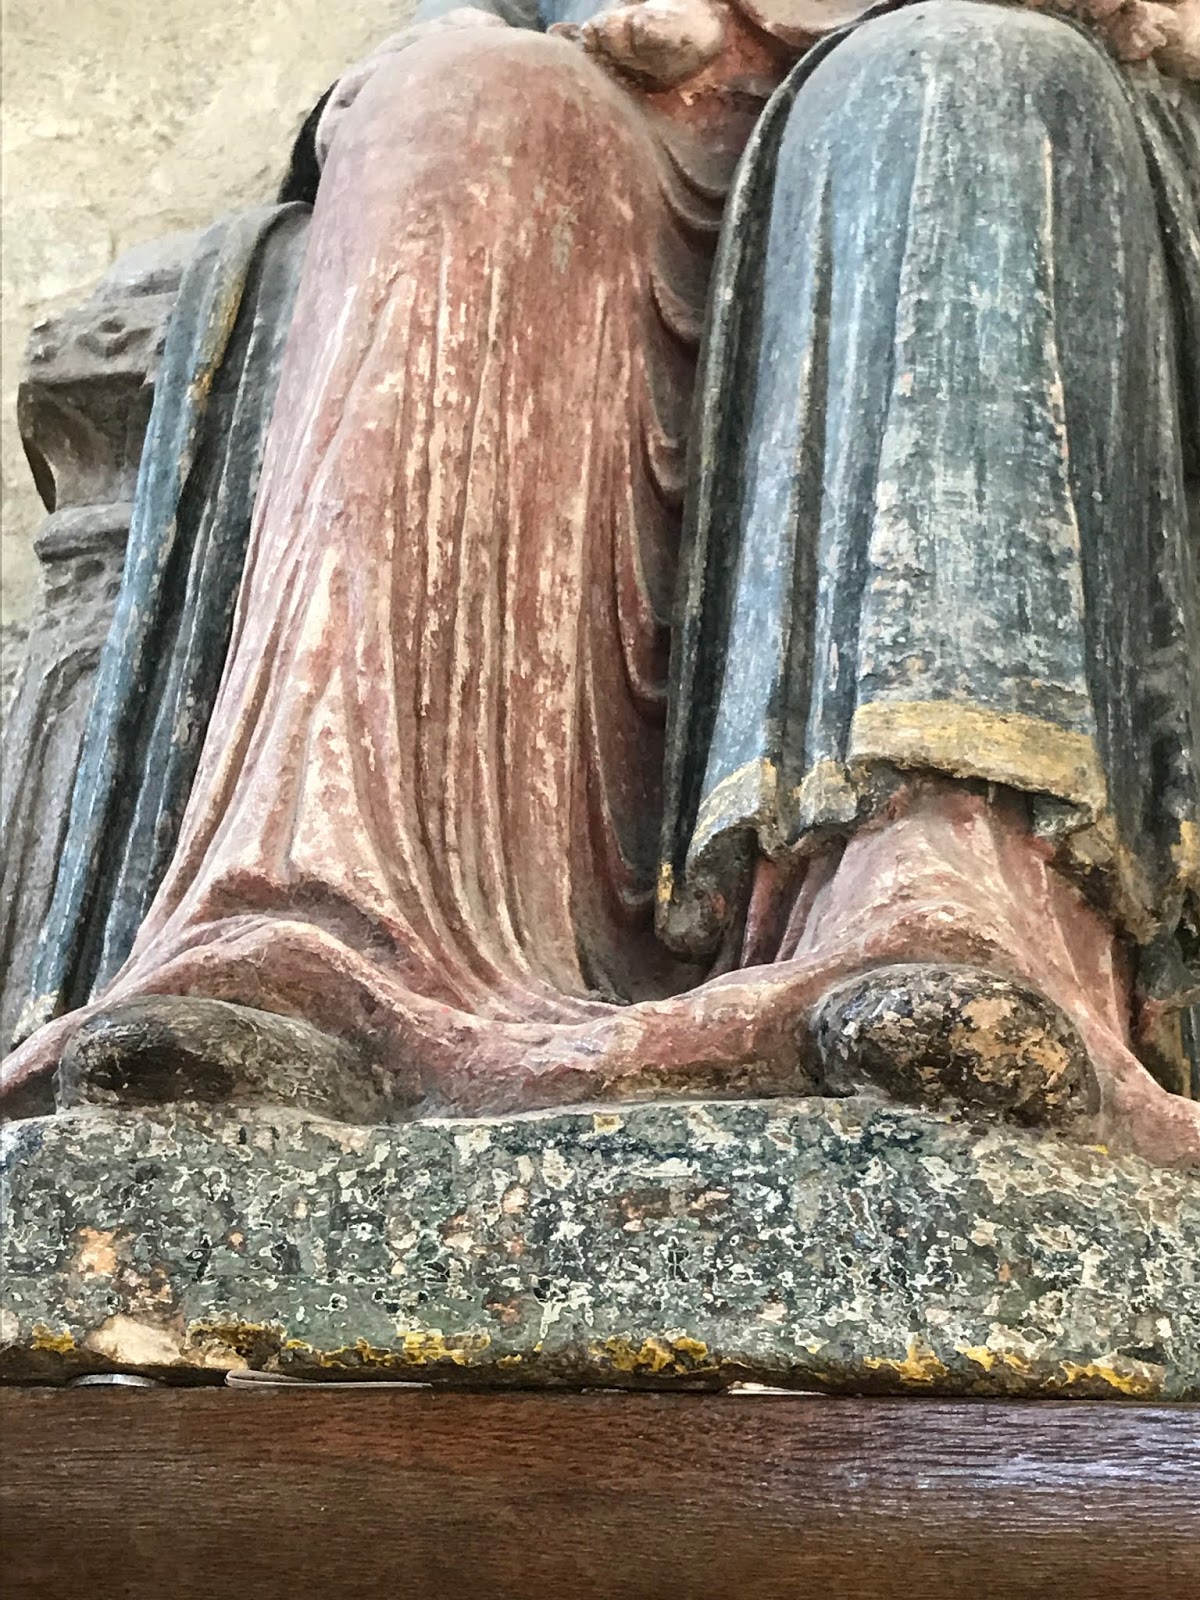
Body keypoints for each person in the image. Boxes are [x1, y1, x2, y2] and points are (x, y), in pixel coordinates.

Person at [3, 0, 1197, 1167]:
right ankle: (321, 928)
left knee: (954, 70)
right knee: (460, 104)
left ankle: (935, 894)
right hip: (634, 81)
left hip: (1006, 97)